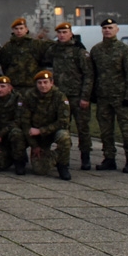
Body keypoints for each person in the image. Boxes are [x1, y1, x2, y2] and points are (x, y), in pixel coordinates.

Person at [89, 17, 128, 173]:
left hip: (121, 97)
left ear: (117, 30)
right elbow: (92, 74)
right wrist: (92, 93)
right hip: (103, 97)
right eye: (105, 28)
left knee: (127, 130)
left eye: (110, 28)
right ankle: (109, 158)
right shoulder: (96, 50)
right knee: (105, 131)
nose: (107, 31)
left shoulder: (124, 50)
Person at [44, 21, 95, 170]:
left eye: (64, 32)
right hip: (60, 97)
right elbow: (44, 57)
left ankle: (85, 157)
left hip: (77, 96)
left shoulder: (79, 52)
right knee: (62, 128)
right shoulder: (54, 50)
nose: (62, 35)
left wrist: (85, 97)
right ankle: (63, 157)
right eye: (59, 33)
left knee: (83, 128)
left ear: (71, 34)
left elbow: (89, 75)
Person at [21, 69, 72, 180]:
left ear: (51, 83)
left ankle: (63, 165)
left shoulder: (59, 97)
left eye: (45, 82)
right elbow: (25, 122)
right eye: (39, 83)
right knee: (40, 170)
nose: (43, 86)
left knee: (64, 137)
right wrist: (34, 145)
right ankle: (46, 155)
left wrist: (41, 130)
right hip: (36, 136)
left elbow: (63, 121)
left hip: (53, 132)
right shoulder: (30, 96)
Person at [0, 75, 27, 174]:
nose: (0, 89)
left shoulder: (18, 100)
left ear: (10, 88)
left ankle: (19, 161)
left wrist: (2, 133)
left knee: (16, 133)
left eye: (3, 86)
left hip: (12, 135)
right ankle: (8, 157)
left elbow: (18, 120)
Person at [0, 18, 48, 86]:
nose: (19, 31)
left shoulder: (35, 44)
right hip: (14, 84)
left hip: (32, 84)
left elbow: (43, 60)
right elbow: (4, 63)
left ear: (26, 29)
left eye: (21, 28)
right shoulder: (8, 46)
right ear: (13, 30)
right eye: (16, 29)